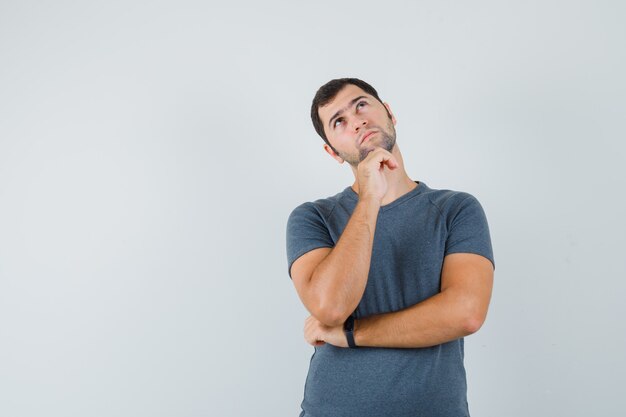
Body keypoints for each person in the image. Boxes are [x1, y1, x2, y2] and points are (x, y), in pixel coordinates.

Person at [285, 78, 495, 417]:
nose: (356, 120)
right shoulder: (313, 217)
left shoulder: (456, 209)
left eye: (361, 105)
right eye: (339, 121)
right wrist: (370, 195)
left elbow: (466, 313)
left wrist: (351, 334)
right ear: (332, 151)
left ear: (389, 112)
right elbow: (331, 307)